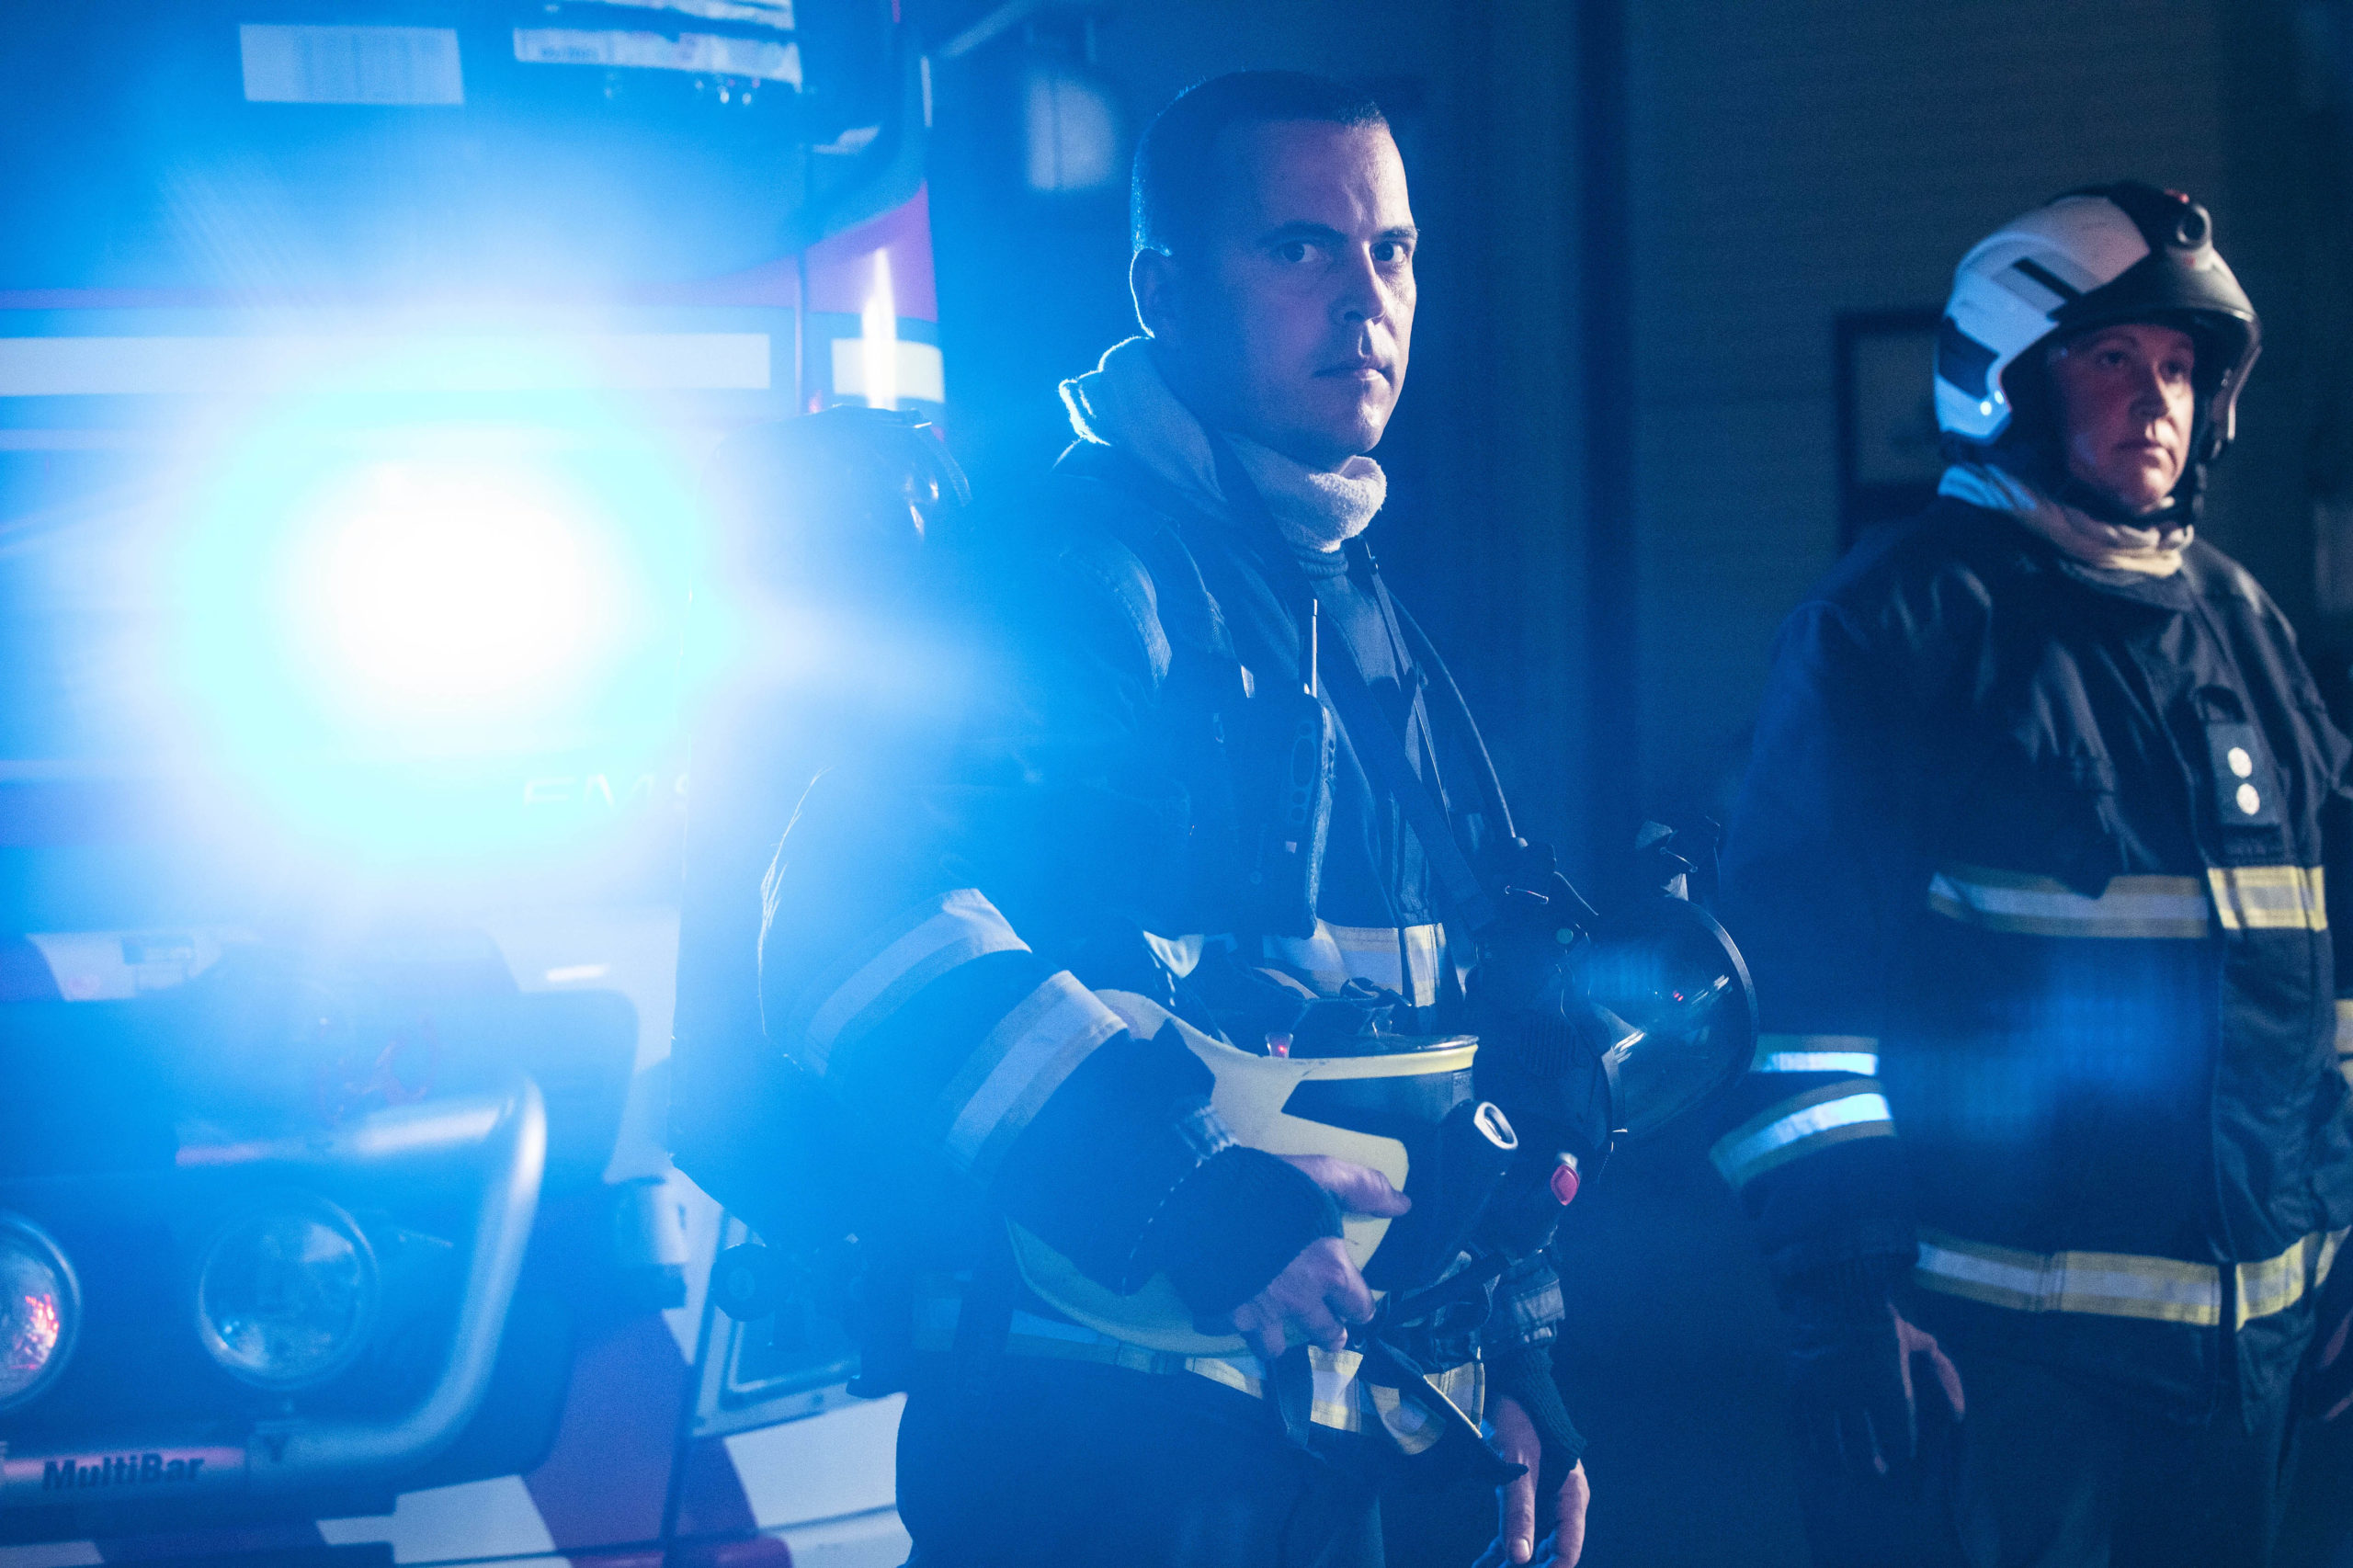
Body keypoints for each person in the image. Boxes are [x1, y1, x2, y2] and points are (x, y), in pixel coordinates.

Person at [754, 73, 1588, 1568]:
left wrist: (1513, 1348)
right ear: (1164, 291)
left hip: (1328, 1444)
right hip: (1096, 1454)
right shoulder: (1067, 577)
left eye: (1392, 251)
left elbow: (1437, 1016)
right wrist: (1182, 1196)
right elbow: (845, 917)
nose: (1364, 301)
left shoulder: (1340, 583)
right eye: (1299, 248)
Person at [1713, 180, 2353, 1568]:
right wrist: (1842, 1288)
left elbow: (2332, 970)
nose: (2158, 399)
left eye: (2179, 366)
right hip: (1999, 1379)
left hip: (2247, 1381)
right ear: (2006, 380)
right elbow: (1790, 1000)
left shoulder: (2244, 629)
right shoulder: (1901, 625)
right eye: (2113, 358)